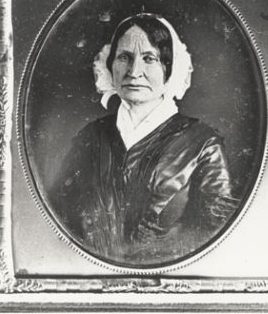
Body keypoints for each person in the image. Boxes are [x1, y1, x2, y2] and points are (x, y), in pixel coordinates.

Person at [50, 13, 238, 266]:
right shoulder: (90, 137)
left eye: (149, 58)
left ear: (169, 67)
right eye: (124, 57)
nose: (134, 71)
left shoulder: (203, 144)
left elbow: (216, 238)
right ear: (110, 65)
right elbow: (57, 222)